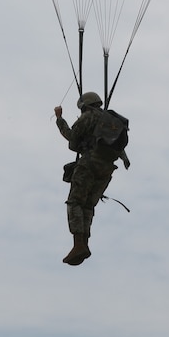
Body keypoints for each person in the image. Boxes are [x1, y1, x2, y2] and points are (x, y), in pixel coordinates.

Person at [54, 91, 130, 265]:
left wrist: (59, 119)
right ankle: (84, 243)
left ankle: (78, 244)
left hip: (89, 164)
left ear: (85, 106)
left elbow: (72, 139)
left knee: (75, 202)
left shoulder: (89, 116)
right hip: (106, 169)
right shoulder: (111, 121)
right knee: (88, 205)